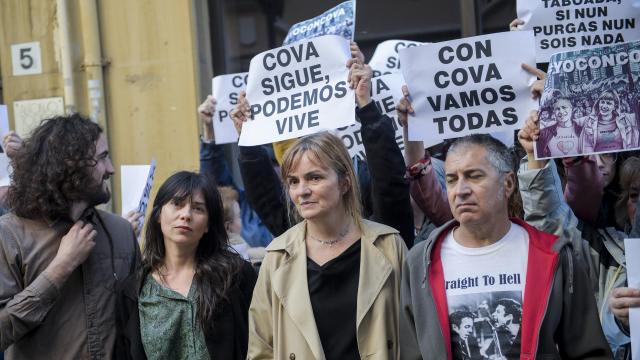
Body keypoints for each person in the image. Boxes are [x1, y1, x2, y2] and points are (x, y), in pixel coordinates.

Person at [400, 133, 611, 359]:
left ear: (508, 183)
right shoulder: (420, 262)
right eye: (452, 179)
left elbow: (588, 350)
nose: (460, 190)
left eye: (474, 176)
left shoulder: (552, 256)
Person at [247, 132, 406, 359]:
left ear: (345, 183)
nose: (302, 191)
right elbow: (261, 347)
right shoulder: (277, 256)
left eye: (314, 178)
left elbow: (412, 338)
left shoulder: (388, 245)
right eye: (293, 181)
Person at [0, 114, 139, 359]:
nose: (111, 169)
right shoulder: (9, 234)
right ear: (70, 165)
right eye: (102, 158)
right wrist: (60, 268)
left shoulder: (121, 231)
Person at [114, 171, 256, 359]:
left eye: (198, 208)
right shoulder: (133, 291)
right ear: (158, 215)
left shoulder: (235, 276)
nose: (185, 215)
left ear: (207, 224)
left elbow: (262, 341)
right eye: (177, 204)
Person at [578, 90, 639, 154]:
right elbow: (586, 147)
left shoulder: (624, 121)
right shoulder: (590, 122)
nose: (604, 106)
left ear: (615, 106)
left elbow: (630, 145)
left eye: (608, 103)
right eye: (602, 102)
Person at [536, 93, 582, 158]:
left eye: (564, 107)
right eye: (557, 109)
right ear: (554, 112)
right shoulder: (544, 133)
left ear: (572, 109)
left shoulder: (583, 130)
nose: (561, 111)